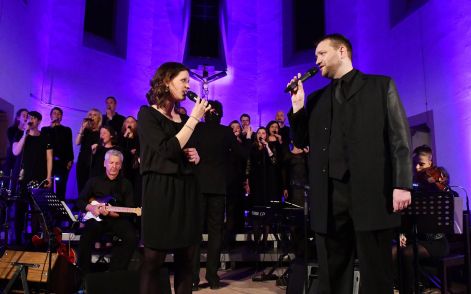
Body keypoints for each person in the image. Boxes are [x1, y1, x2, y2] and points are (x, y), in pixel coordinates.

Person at [288, 33, 412, 294]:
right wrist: (298, 105)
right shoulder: (316, 98)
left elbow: (399, 138)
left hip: (372, 193)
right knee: (332, 277)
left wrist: (402, 184)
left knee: (376, 275)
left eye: (322, 54)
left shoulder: (381, 86)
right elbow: (302, 141)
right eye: (315, 56)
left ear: (341, 51)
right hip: (330, 197)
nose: (317, 60)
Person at [138, 62, 211, 294]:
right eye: (184, 80)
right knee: (153, 259)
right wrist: (194, 119)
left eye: (189, 81)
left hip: (185, 189)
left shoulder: (181, 117)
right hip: (160, 189)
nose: (188, 86)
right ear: (167, 81)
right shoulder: (147, 114)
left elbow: (184, 150)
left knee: (187, 260)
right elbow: (167, 150)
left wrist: (196, 156)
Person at [392, 145, 450, 293]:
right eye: (415, 164)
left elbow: (452, 204)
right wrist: (401, 233)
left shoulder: (439, 185)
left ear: (430, 163)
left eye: (421, 164)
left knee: (406, 254)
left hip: (436, 242)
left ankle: (413, 289)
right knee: (391, 252)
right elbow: (406, 218)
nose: (417, 168)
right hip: (416, 239)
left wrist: (439, 187)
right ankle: (398, 287)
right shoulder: (413, 188)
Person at [192, 100, 236, 290]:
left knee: (194, 234)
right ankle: (212, 277)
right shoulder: (226, 132)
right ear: (221, 114)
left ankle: (192, 278)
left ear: (205, 113)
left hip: (198, 186)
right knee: (215, 233)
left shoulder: (197, 128)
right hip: (218, 187)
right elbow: (240, 154)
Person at [77, 149, 137, 274]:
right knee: (85, 237)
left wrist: (110, 213)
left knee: (132, 237)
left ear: (120, 165)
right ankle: (84, 275)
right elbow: (80, 201)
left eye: (117, 163)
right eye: (111, 163)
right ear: (105, 163)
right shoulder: (94, 181)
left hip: (117, 219)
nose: (113, 166)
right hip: (96, 220)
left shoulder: (126, 184)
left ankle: (116, 272)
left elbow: (130, 209)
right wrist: (92, 208)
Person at [12, 111, 53, 244]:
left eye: (34, 118)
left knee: (38, 209)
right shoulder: (21, 135)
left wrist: (48, 177)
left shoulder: (45, 137)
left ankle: (36, 237)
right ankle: (18, 236)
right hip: (24, 177)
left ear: (39, 121)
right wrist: (25, 134)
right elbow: (16, 151)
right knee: (21, 207)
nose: (31, 120)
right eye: (30, 118)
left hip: (40, 177)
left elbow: (49, 158)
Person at [41, 107, 74, 201]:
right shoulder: (45, 129)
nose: (56, 115)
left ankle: (60, 208)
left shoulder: (67, 130)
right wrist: (52, 127)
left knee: (61, 185)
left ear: (61, 117)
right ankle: (48, 208)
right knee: (47, 185)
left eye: (59, 114)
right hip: (48, 162)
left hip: (62, 162)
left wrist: (70, 159)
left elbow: (69, 145)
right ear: (51, 116)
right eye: (54, 113)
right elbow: (44, 143)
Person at [75, 108, 101, 194]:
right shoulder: (85, 130)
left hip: (94, 161)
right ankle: (81, 204)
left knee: (91, 185)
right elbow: (77, 142)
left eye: (94, 115)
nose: (92, 117)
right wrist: (82, 128)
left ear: (99, 118)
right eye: (90, 115)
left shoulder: (101, 131)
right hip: (82, 159)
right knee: (81, 183)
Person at [2, 108, 28, 193]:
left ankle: (15, 191)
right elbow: (13, 142)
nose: (26, 118)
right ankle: (5, 191)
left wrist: (25, 131)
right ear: (18, 118)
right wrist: (21, 129)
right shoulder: (11, 129)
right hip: (11, 155)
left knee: (18, 177)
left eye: (27, 116)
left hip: (22, 158)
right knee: (7, 174)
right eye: (24, 115)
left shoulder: (27, 132)